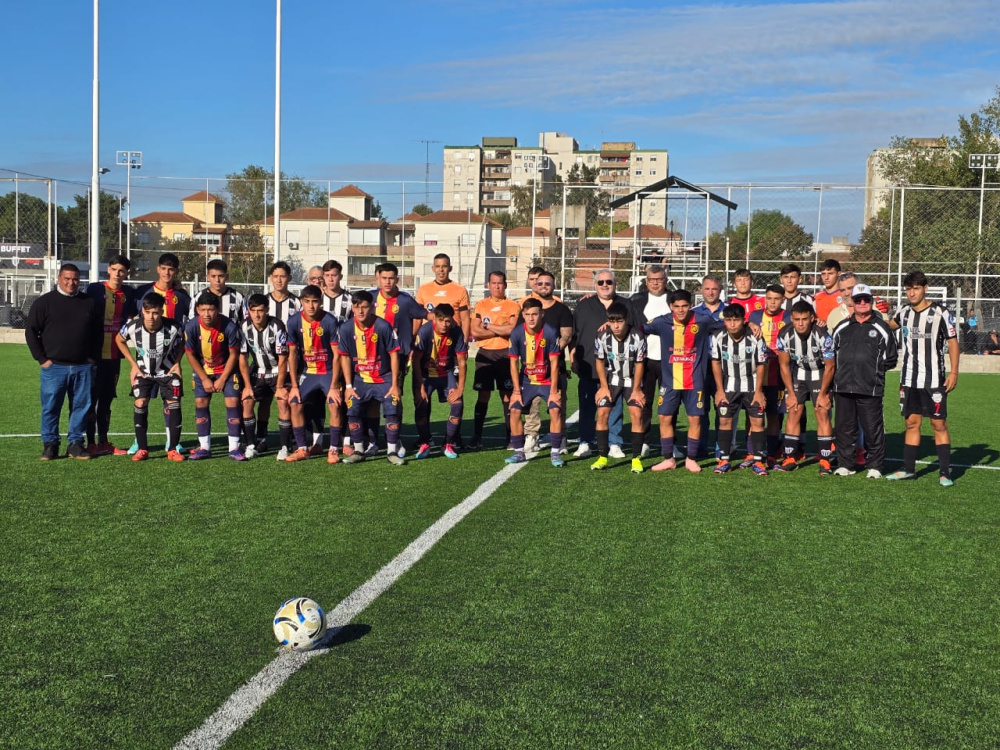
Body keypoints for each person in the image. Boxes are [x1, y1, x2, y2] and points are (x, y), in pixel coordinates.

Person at [885, 271, 960, 486]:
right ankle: (908, 469)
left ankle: (945, 472)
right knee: (911, 422)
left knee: (938, 424)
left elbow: (953, 342)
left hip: (934, 379)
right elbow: (890, 325)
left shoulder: (940, 313)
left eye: (916, 288)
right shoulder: (904, 312)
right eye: (908, 289)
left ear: (925, 288)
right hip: (909, 378)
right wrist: (877, 313)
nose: (912, 293)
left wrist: (954, 372)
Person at [25, 263, 102, 460]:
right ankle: (50, 444)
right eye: (67, 278)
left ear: (79, 280)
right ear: (59, 278)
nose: (71, 282)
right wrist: (42, 359)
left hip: (82, 366)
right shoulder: (44, 302)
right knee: (51, 407)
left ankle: (75, 444)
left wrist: (92, 358)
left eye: (75, 279)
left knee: (81, 407)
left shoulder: (89, 302)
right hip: (54, 367)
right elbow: (31, 331)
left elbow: (97, 333)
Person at [641, 289, 723, 472]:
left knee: (695, 419)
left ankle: (691, 458)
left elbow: (729, 326)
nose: (680, 310)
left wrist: (751, 325)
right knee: (664, 417)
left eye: (684, 306)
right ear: (671, 307)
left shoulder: (703, 320)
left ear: (690, 305)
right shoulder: (662, 321)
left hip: (695, 382)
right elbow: (639, 328)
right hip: (670, 382)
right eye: (676, 306)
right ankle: (668, 458)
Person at [823, 283, 898, 478]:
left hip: (870, 388)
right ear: (853, 303)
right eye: (858, 300)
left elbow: (891, 359)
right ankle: (845, 464)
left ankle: (875, 466)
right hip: (843, 387)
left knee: (872, 429)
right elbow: (832, 355)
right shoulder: (842, 327)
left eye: (866, 299)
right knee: (844, 428)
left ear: (871, 302)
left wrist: (872, 371)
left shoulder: (882, 328)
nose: (862, 303)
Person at [572, 269, 636, 459]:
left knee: (614, 407)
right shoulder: (583, 305)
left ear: (615, 284)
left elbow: (636, 330)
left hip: (617, 368)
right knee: (587, 406)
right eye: (601, 282)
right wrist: (573, 355)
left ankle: (614, 442)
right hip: (589, 365)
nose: (605, 285)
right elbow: (575, 335)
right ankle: (585, 441)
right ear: (595, 285)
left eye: (609, 281)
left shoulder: (626, 305)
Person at [337, 291, 405, 466]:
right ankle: (359, 450)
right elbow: (343, 357)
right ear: (352, 308)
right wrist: (349, 385)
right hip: (360, 379)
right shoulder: (345, 329)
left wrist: (395, 384)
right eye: (357, 307)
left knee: (393, 407)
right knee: (352, 408)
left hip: (384, 378)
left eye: (365, 307)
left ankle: (392, 451)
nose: (360, 311)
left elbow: (394, 355)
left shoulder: (383, 326)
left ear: (372, 307)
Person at [133, 252, 192, 454]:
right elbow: (132, 322)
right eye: (164, 268)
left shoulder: (183, 297)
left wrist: (178, 361)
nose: (167, 272)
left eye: (171, 269)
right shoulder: (142, 292)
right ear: (158, 269)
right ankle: (138, 442)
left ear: (176, 271)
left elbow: (186, 327)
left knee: (171, 400)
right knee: (142, 399)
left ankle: (171, 442)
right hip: (146, 356)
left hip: (170, 358)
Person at [115, 294, 185, 462]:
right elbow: (119, 340)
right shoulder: (132, 327)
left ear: (161, 311)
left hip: (167, 372)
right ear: (142, 311)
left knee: (174, 404)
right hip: (144, 372)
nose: (151, 317)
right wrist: (133, 364)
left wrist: (177, 362)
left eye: (155, 313)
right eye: (148, 312)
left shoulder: (174, 327)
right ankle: (142, 448)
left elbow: (184, 341)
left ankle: (173, 449)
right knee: (140, 402)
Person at [371, 262, 429, 455]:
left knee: (394, 396)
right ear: (377, 278)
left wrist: (415, 340)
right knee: (371, 398)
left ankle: (395, 438)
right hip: (370, 357)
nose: (388, 282)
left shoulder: (405, 300)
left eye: (391, 278)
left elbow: (424, 315)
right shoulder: (370, 298)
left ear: (397, 279)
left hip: (399, 357)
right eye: (384, 278)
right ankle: (372, 439)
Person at [283, 285, 344, 463]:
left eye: (315, 301)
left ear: (321, 302)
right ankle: (302, 448)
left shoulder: (330, 321)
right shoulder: (293, 322)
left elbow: (337, 355)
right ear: (301, 302)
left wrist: (334, 386)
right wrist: (294, 386)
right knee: (294, 402)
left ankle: (333, 449)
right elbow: (292, 355)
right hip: (307, 372)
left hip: (327, 371)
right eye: (307, 302)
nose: (311, 306)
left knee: (334, 403)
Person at [84, 254, 137, 456]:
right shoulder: (95, 289)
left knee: (106, 400)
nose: (117, 273)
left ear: (127, 273)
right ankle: (90, 443)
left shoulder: (129, 294)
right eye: (114, 269)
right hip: (94, 357)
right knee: (91, 400)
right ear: (108, 269)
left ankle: (104, 441)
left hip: (115, 357)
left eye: (122, 271)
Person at [774, 301, 835, 474]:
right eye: (796, 319)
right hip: (799, 373)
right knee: (793, 410)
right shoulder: (784, 333)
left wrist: (823, 393)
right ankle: (790, 457)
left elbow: (830, 366)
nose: (800, 323)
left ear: (812, 319)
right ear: (791, 319)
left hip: (820, 373)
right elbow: (784, 366)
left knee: (821, 411)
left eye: (804, 319)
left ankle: (825, 460)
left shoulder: (822, 334)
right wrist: (791, 393)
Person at [183, 291, 244, 461]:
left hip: (226, 370)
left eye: (210, 309)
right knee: (200, 403)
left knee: (232, 402)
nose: (207, 314)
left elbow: (234, 354)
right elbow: (190, 355)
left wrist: (223, 378)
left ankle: (234, 448)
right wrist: (204, 378)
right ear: (197, 310)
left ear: (217, 309)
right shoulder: (191, 327)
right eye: (203, 310)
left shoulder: (229, 326)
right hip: (204, 371)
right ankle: (204, 447)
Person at [710, 304, 769, 475]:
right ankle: (724, 460)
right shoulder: (718, 337)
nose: (733, 324)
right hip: (729, 386)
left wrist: (759, 391)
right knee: (724, 421)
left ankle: (758, 461)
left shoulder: (756, 337)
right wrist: (719, 389)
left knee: (757, 422)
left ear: (744, 321)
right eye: (729, 320)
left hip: (752, 385)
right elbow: (715, 362)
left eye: (736, 320)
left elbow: (761, 364)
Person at [506, 297, 565, 467]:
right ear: (523, 315)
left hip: (547, 381)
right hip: (527, 382)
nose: (531, 318)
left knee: (555, 410)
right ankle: (519, 452)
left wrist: (554, 391)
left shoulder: (550, 332)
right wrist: (516, 391)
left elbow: (554, 364)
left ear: (542, 314)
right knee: (515, 410)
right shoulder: (517, 333)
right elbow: (513, 363)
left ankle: (555, 453)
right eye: (527, 314)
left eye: (534, 314)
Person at [590, 302, 647, 473]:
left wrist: (637, 390)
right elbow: (599, 361)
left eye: (619, 321)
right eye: (612, 321)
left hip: (631, 381)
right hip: (611, 381)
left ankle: (636, 459)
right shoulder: (602, 336)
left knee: (636, 414)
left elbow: (639, 364)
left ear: (626, 320)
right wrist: (603, 387)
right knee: (602, 413)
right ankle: (602, 456)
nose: (616, 325)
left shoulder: (637, 336)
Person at [522, 270, 573, 454]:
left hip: (554, 367)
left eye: (547, 284)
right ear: (535, 285)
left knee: (558, 405)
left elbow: (566, 336)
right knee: (531, 405)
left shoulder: (562, 309)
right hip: (531, 369)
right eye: (540, 283)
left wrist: (546, 352)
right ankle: (531, 436)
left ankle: (561, 438)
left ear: (553, 286)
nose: (543, 286)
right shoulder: (528, 308)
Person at [470, 271, 520, 449]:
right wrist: (500, 329)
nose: (497, 286)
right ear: (488, 285)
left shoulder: (512, 305)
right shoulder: (480, 305)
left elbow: (512, 330)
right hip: (485, 354)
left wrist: (488, 326)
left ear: (505, 285)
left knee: (507, 396)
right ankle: (476, 437)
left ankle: (510, 438)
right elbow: (475, 332)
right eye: (493, 283)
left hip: (505, 354)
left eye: (500, 283)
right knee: (483, 395)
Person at [412, 303, 468, 459]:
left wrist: (460, 388)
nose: (445, 324)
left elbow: (462, 362)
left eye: (448, 321)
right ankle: (424, 443)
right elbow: (416, 360)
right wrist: (420, 387)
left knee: (458, 405)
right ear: (435, 318)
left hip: (446, 374)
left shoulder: (456, 332)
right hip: (425, 374)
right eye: (441, 320)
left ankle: (448, 444)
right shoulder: (425, 331)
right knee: (421, 404)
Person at [238, 294, 289, 459]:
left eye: (261, 310)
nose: (257, 315)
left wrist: (280, 387)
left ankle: (284, 447)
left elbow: (283, 359)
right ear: (249, 311)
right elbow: (243, 358)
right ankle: (253, 444)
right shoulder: (244, 327)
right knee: (247, 401)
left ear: (267, 310)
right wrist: (246, 386)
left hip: (278, 371)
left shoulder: (277, 326)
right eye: (253, 311)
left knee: (283, 403)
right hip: (258, 370)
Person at [748, 285, 791, 463]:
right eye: (769, 298)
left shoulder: (788, 316)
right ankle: (751, 452)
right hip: (756, 371)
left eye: (776, 299)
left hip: (778, 373)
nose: (772, 302)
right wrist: (748, 323)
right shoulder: (755, 316)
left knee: (773, 414)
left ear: (783, 300)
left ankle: (772, 452)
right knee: (753, 413)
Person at [630, 266, 670, 457]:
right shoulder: (636, 301)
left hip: (669, 360)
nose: (655, 282)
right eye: (652, 279)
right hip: (644, 361)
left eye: (659, 279)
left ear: (666, 280)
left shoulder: (674, 300)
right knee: (644, 402)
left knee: (669, 404)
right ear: (646, 282)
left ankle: (668, 443)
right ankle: (645, 441)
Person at [692, 274, 727, 457]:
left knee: (722, 407)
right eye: (707, 288)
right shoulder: (693, 312)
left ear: (720, 290)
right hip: (701, 366)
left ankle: (721, 448)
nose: (710, 292)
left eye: (714, 288)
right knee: (701, 408)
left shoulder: (730, 311)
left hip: (724, 367)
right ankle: (701, 447)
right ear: (701, 290)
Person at [416, 253, 471, 341]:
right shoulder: (423, 289)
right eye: (437, 266)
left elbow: (465, 320)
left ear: (450, 268)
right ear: (433, 269)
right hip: (429, 339)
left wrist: (465, 342)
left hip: (452, 338)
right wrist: (414, 337)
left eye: (444, 266)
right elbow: (417, 317)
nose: (441, 270)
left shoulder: (460, 290)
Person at [204, 258, 247, 325]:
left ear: (226, 277)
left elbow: (246, 322)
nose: (217, 280)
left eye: (221, 276)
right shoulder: (198, 297)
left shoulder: (239, 297)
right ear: (208, 277)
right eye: (213, 276)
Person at [267, 261, 301, 325]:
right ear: (271, 278)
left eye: (282, 276)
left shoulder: (297, 302)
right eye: (276, 276)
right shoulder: (265, 301)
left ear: (289, 278)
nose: (279, 280)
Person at [812, 259, 843, 327]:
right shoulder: (816, 297)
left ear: (839, 273)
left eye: (830, 273)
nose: (826, 277)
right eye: (823, 274)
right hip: (821, 335)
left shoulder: (845, 296)